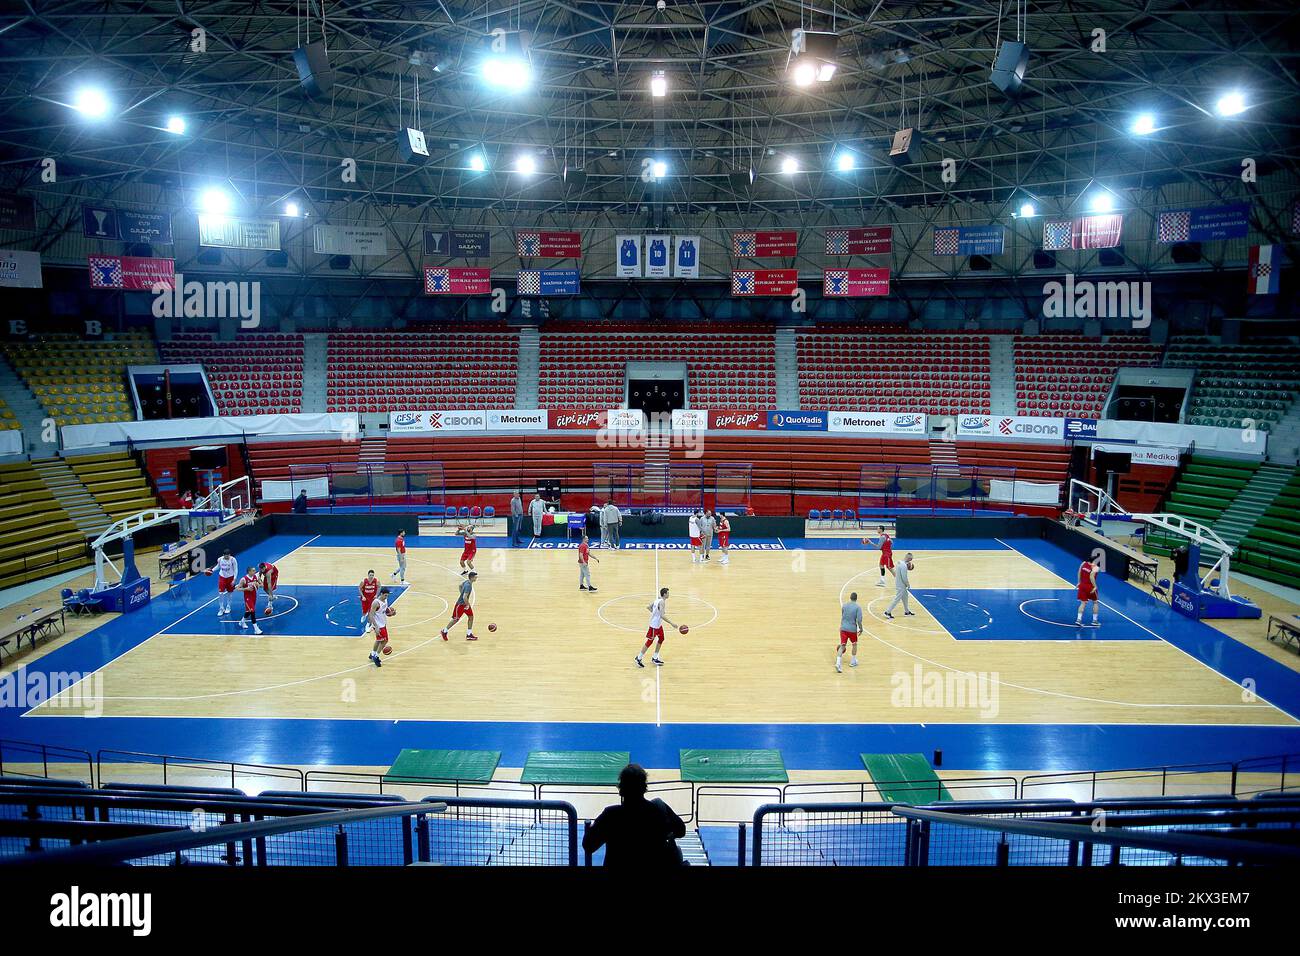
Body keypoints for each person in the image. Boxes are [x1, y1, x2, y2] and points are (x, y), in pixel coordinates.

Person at [581, 763, 687, 868]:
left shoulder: (611, 815)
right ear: (644, 787)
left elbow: (588, 846)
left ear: (621, 789)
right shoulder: (658, 810)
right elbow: (681, 830)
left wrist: (593, 828)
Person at [635, 587, 679, 668]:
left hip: (658, 625)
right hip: (654, 626)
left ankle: (655, 658)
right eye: (668, 593)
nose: (669, 594)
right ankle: (638, 658)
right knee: (649, 642)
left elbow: (648, 607)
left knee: (661, 638)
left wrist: (655, 613)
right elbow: (662, 615)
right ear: (665, 594)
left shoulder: (658, 599)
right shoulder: (662, 602)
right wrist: (671, 623)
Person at [440, 571, 478, 642]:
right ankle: (444, 631)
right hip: (461, 605)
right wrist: (467, 605)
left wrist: (461, 593)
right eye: (475, 577)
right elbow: (464, 597)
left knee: (471, 617)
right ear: (472, 577)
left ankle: (469, 634)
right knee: (455, 619)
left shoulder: (466, 582)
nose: (476, 578)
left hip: (464, 604)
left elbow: (460, 585)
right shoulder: (468, 586)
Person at [836, 592, 863, 673]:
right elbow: (859, 620)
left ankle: (838, 663)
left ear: (850, 597)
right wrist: (861, 629)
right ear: (856, 598)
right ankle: (853, 661)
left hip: (843, 628)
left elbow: (843, 615)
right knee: (854, 644)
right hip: (852, 629)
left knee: (842, 645)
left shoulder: (844, 605)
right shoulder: (858, 607)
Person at [884, 552, 916, 619]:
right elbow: (904, 577)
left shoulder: (899, 562)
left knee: (905, 596)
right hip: (901, 585)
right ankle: (887, 612)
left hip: (899, 582)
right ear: (909, 558)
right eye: (910, 559)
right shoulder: (904, 566)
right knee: (897, 599)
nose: (910, 561)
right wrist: (908, 584)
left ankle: (907, 611)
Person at [367, 586, 393, 667]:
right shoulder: (376, 602)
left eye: (387, 596)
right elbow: (371, 614)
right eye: (385, 595)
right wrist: (376, 626)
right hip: (378, 625)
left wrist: (391, 613)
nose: (386, 597)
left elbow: (384, 611)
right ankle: (376, 656)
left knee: (378, 640)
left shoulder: (385, 600)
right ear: (381, 594)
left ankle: (372, 654)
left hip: (383, 623)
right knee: (385, 641)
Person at [236, 565, 263, 634]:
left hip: (254, 596)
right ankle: (256, 629)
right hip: (248, 598)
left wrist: (259, 585)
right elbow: (238, 588)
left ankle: (242, 622)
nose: (255, 571)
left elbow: (260, 584)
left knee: (248, 611)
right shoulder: (243, 579)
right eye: (253, 570)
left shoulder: (255, 577)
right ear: (249, 572)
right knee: (252, 611)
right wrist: (246, 589)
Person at [1076, 556, 1101, 627]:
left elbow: (1079, 572)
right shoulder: (1096, 567)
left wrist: (1079, 582)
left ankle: (1078, 620)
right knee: (1095, 602)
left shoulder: (1083, 563)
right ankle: (1094, 621)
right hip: (1090, 587)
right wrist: (1095, 586)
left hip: (1082, 585)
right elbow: (1091, 576)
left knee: (1083, 603)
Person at [214, 549, 238, 616]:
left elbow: (236, 569)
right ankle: (221, 608)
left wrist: (234, 579)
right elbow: (218, 566)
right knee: (220, 593)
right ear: (223, 555)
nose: (227, 557)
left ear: (230, 555)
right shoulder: (220, 559)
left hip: (230, 578)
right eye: (226, 556)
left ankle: (228, 606)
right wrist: (212, 570)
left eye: (228, 556)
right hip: (222, 577)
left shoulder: (233, 560)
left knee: (229, 593)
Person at [359, 569, 380, 633]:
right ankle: (364, 615)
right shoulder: (363, 581)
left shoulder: (376, 581)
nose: (371, 576)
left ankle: (368, 625)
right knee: (364, 611)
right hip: (365, 599)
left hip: (372, 599)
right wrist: (363, 596)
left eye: (372, 575)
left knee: (371, 613)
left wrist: (376, 594)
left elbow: (379, 587)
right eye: (370, 575)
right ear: (368, 575)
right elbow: (359, 589)